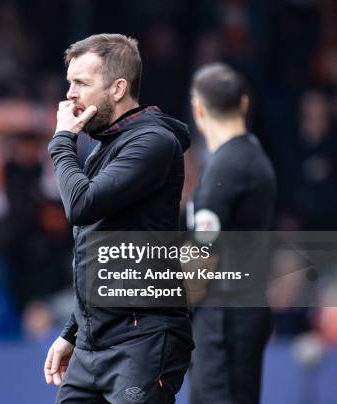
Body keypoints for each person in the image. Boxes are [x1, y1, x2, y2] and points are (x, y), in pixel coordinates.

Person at [44, 33, 193, 404]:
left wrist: (63, 140)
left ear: (118, 88)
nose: (70, 95)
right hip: (95, 343)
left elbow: (81, 205)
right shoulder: (105, 146)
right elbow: (100, 245)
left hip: (143, 339)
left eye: (81, 83)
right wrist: (74, 331)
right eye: (69, 83)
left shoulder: (153, 142)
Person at [188, 63, 277, 404]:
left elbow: (201, 259)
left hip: (223, 324)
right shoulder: (254, 157)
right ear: (243, 103)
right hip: (241, 314)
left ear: (198, 109)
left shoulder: (225, 169)